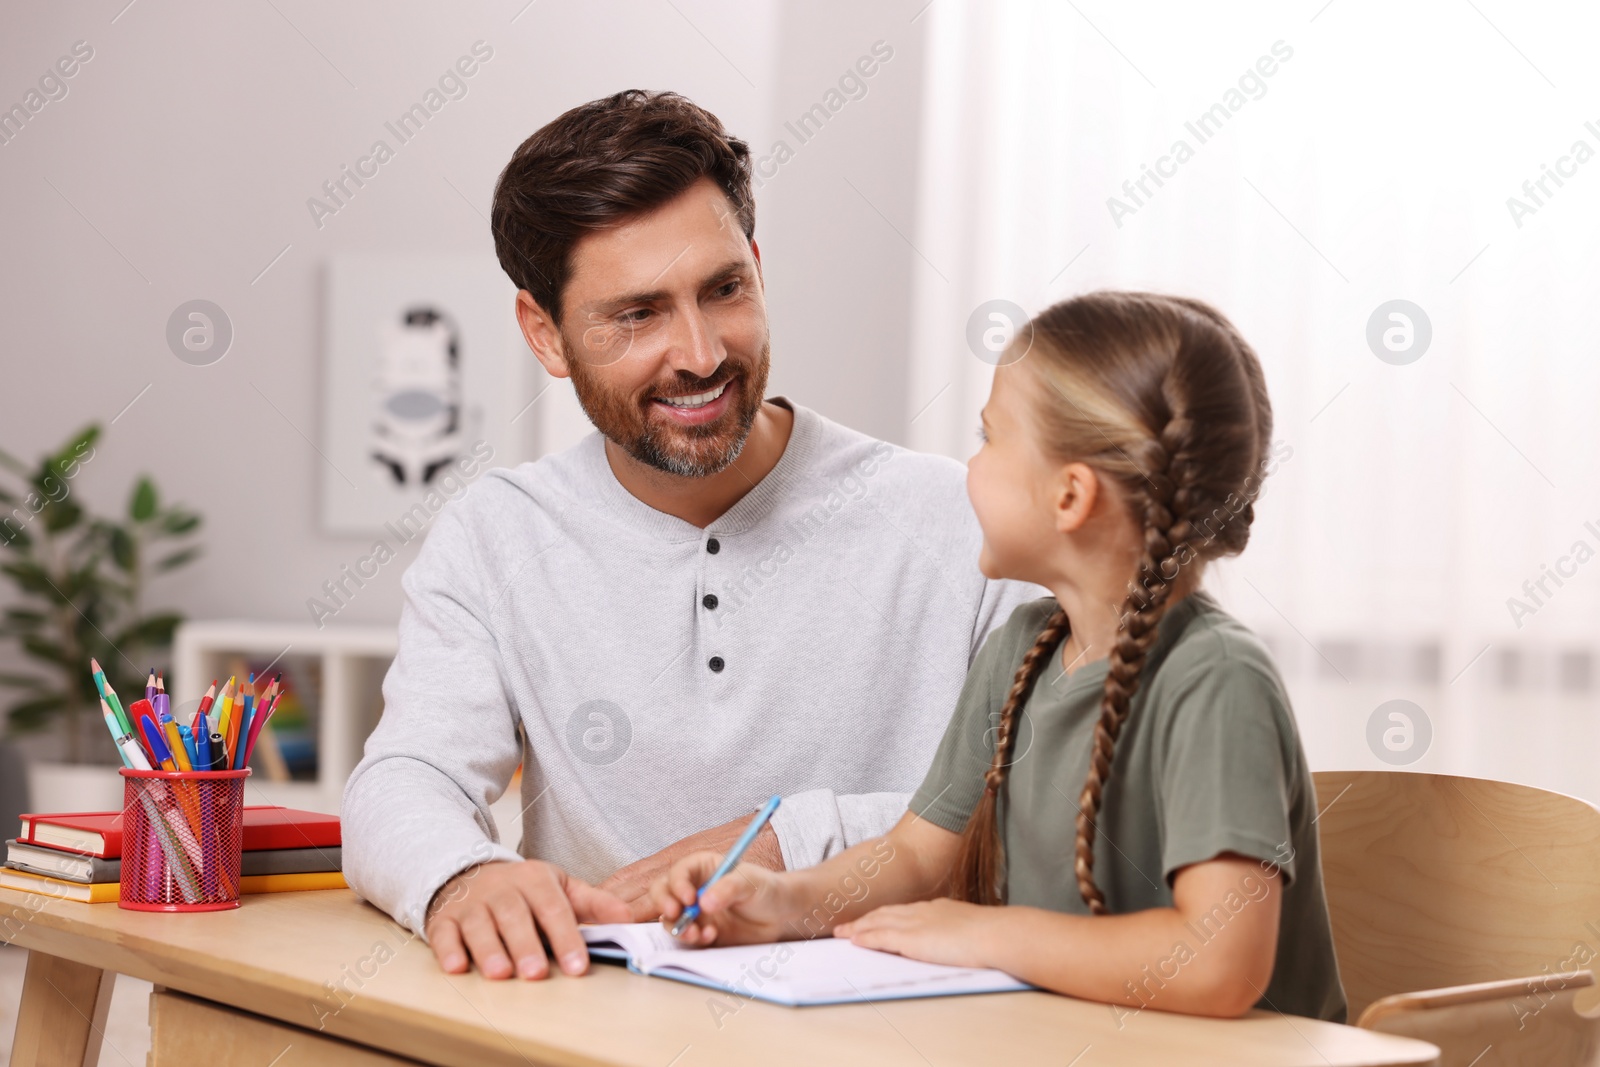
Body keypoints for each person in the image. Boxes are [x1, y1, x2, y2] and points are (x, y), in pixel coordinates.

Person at [341, 90, 1040, 983]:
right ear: (545, 333)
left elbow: (1040, 810)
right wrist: (461, 877)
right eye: (637, 315)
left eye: (724, 289)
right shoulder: (494, 538)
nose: (702, 352)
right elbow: (405, 777)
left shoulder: (960, 519)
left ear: (757, 264)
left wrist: (790, 840)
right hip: (601, 1031)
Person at [652, 291, 1348, 1022]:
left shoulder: (1216, 680)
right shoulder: (1025, 647)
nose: (970, 465)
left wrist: (985, 932)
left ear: (1070, 494)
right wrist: (778, 902)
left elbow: (1218, 965)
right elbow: (918, 858)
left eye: (989, 438)